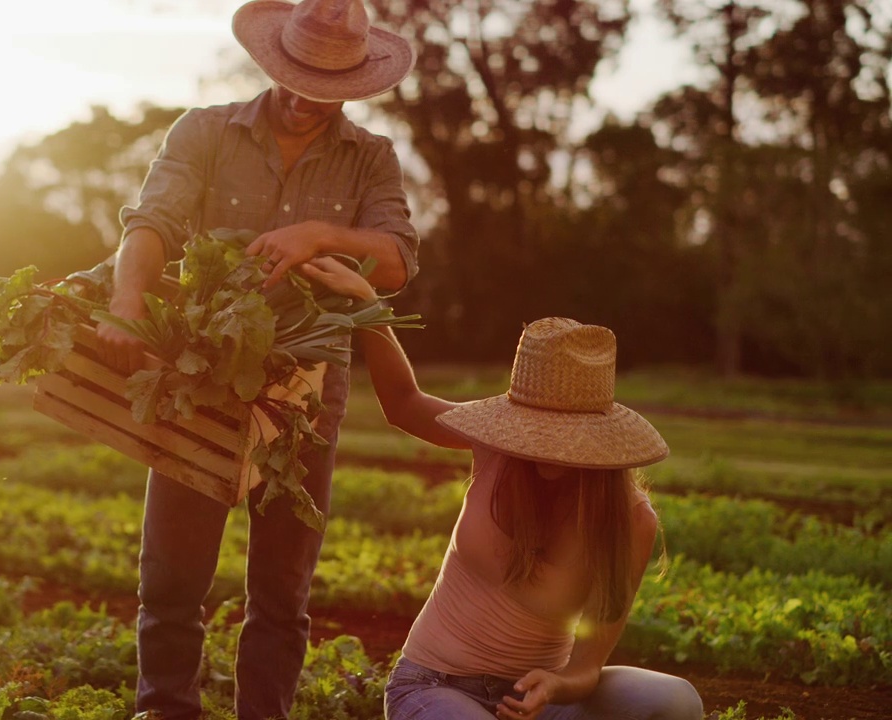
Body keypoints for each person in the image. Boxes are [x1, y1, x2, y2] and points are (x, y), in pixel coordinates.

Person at [95, 1, 421, 718]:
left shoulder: (370, 157)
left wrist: (316, 234)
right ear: (273, 60)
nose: (304, 98)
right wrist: (126, 302)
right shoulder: (206, 131)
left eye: (325, 85)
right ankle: (164, 709)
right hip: (200, 371)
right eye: (294, 77)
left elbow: (396, 260)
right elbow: (152, 222)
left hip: (306, 389)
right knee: (173, 574)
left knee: (282, 586)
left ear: (357, 82)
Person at [298, 257, 706, 720]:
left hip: (539, 702)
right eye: (531, 432)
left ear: (598, 444)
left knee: (674, 701)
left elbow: (587, 668)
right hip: (435, 686)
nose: (538, 451)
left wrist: (555, 684)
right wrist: (368, 306)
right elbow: (404, 404)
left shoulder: (631, 521)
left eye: (561, 439)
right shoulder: (497, 450)